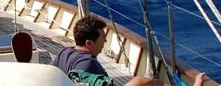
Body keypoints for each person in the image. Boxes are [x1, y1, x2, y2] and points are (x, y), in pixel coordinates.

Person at [52, 15, 206, 86]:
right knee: (142, 82)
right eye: (102, 38)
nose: (105, 40)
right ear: (89, 43)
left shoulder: (65, 52)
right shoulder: (87, 65)